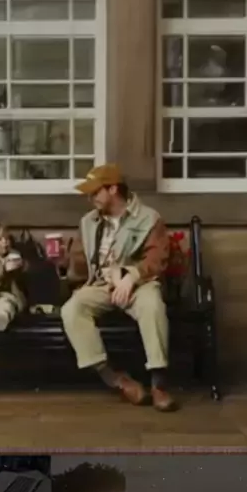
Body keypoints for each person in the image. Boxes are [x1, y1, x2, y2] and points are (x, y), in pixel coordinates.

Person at [61, 163, 175, 412]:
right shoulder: (88, 222)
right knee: (72, 310)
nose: (90, 198)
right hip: (101, 284)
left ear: (113, 189)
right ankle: (116, 380)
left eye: (95, 192)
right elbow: (80, 264)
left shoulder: (148, 218)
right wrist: (67, 264)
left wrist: (130, 276)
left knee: (152, 305)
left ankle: (159, 384)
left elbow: (157, 259)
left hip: (139, 283)